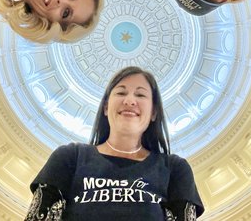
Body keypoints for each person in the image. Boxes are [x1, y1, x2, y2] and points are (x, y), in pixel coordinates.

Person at [25, 66, 205, 220]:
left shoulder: (175, 168)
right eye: (121, 92)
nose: (129, 101)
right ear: (105, 107)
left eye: (140, 95)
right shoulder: (70, 156)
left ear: (153, 113)